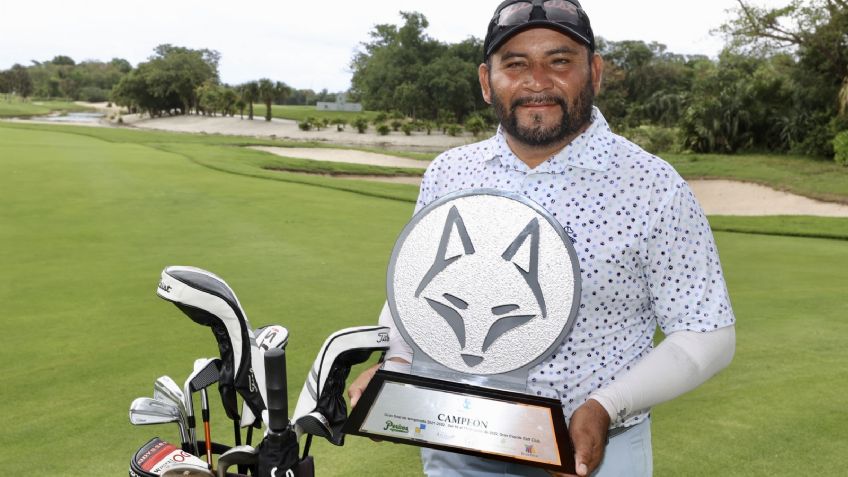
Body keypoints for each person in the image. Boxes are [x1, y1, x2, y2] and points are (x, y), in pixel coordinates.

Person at [348, 1, 736, 476]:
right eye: (515, 64)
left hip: (593, 451)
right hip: (458, 444)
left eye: (559, 61)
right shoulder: (449, 173)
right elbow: (417, 294)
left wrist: (604, 407)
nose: (537, 81)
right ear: (487, 82)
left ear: (593, 71)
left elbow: (707, 333)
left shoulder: (653, 186)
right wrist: (398, 364)